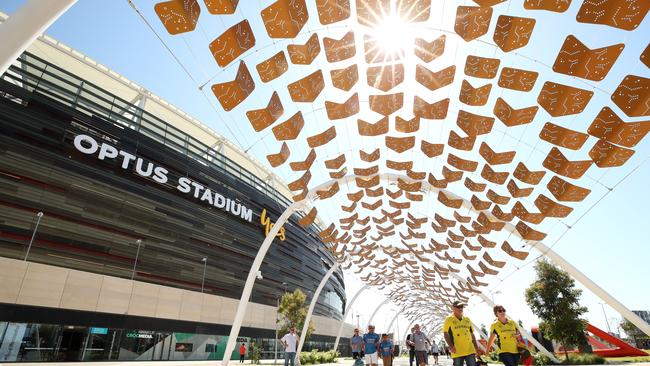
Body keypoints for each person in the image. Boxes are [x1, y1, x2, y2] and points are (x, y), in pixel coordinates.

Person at [443, 301, 481, 366]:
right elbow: (445, 333)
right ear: (453, 308)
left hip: (470, 350)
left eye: (462, 307)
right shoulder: (449, 319)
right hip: (457, 351)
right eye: (458, 307)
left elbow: (472, 334)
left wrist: (477, 348)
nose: (460, 309)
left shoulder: (467, 319)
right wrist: (451, 346)